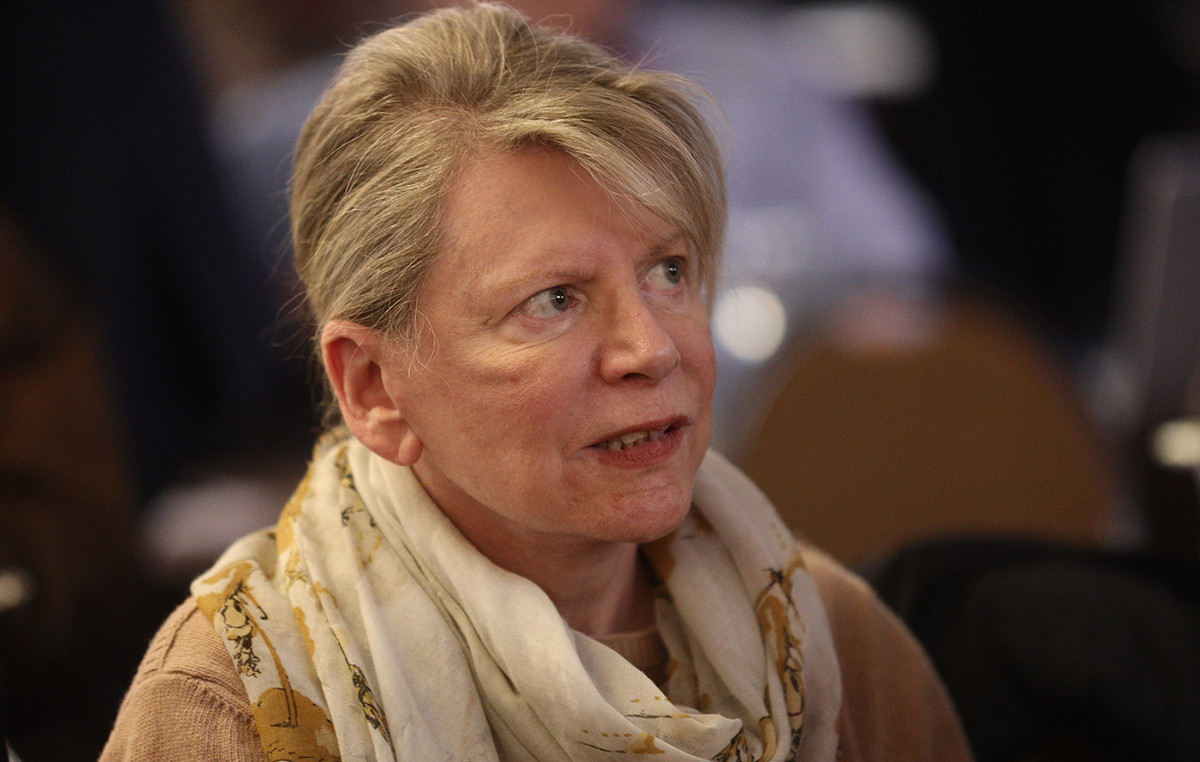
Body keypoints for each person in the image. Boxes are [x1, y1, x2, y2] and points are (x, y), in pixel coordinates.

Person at [101, 4, 971, 760]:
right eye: (554, 301)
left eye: (669, 272)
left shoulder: (830, 636)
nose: (649, 349)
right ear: (372, 388)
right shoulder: (236, 704)